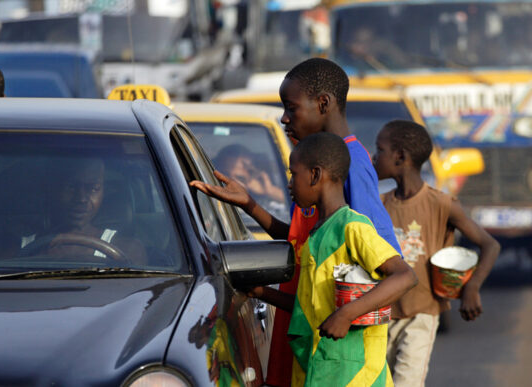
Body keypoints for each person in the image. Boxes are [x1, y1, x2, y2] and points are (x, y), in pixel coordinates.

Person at [190, 57, 402, 387]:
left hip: (342, 361)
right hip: (310, 340)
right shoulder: (316, 175)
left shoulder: (352, 165)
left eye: (291, 108)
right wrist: (250, 205)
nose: (285, 118)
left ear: (323, 104)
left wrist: (347, 314)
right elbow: (302, 242)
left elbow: (382, 260)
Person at [246, 132, 417, 386]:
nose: (290, 184)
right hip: (320, 371)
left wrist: (347, 314)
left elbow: (405, 276)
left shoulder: (353, 227)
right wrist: (260, 292)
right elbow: (312, 309)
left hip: (357, 376)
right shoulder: (316, 233)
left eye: (294, 174)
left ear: (315, 175)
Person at [373, 120, 501, 387]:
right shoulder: (379, 204)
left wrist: (472, 287)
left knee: (407, 382)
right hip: (381, 315)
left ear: (400, 157)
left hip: (422, 314)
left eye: (379, 150)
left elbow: (490, 245)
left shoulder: (441, 204)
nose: (374, 157)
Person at [19, 158, 147, 265]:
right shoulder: (16, 250)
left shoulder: (128, 250)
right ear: (52, 189)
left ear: (103, 192)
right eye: (71, 187)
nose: (81, 199)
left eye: (93, 188)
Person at [214, 144, 285, 203]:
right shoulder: (216, 193)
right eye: (226, 173)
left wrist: (269, 190)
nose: (245, 171)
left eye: (246, 165)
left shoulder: (264, 195)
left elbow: (292, 202)